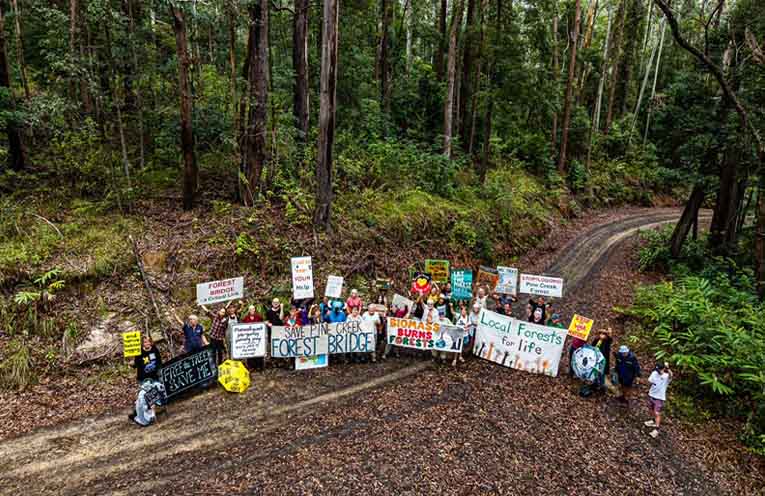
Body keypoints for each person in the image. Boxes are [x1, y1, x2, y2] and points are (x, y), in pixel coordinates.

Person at [645, 362, 672, 438]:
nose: (658, 371)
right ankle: (653, 421)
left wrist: (668, 368)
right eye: (657, 369)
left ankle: (656, 429)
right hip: (651, 395)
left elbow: (671, 375)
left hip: (659, 398)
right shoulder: (654, 373)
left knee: (657, 413)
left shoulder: (666, 376)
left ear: (663, 369)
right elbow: (650, 381)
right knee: (651, 410)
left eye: (659, 370)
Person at [241, 305, 265, 371]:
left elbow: (262, 325)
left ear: (255, 309)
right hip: (249, 339)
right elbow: (242, 327)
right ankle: (251, 366)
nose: (252, 310)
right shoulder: (246, 318)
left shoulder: (259, 317)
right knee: (250, 351)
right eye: (250, 309)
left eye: (253, 309)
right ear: (249, 310)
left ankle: (259, 366)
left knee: (258, 351)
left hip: (257, 338)